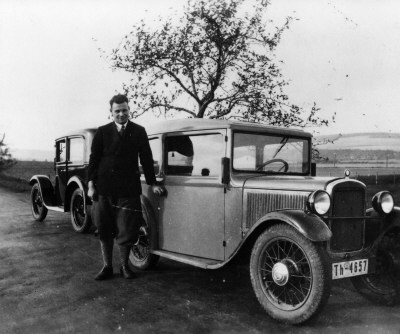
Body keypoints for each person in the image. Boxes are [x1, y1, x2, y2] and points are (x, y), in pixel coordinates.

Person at [88, 94, 163, 280]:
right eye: (117, 111)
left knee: (127, 228)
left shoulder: (138, 131)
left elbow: (146, 158)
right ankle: (107, 267)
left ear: (129, 110)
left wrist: (152, 183)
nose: (121, 114)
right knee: (104, 228)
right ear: (111, 112)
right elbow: (93, 160)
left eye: (124, 110)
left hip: (128, 189)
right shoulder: (102, 131)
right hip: (104, 189)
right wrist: (90, 185)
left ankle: (124, 266)